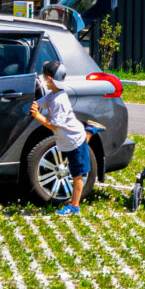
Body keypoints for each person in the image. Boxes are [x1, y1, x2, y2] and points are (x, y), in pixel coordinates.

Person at [28, 62, 94, 215]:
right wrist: (34, 105)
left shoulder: (60, 101)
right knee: (75, 164)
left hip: (74, 140)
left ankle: (74, 206)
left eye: (44, 77)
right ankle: (89, 132)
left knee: (77, 174)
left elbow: (54, 126)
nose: (43, 79)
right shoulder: (53, 95)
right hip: (69, 140)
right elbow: (41, 103)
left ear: (50, 79)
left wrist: (37, 115)